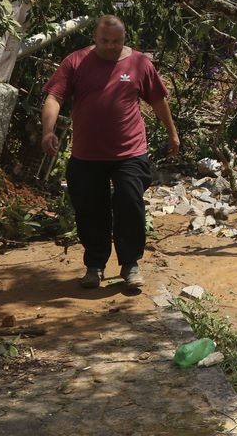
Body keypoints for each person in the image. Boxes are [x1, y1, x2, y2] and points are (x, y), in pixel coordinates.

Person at [41, 15, 179, 290]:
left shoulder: (140, 63)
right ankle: (95, 266)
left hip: (130, 152)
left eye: (116, 41)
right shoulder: (76, 61)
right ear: (94, 37)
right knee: (91, 210)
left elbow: (157, 100)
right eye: (105, 41)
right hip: (87, 154)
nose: (110, 46)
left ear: (124, 38)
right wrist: (48, 131)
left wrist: (172, 133)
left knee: (130, 204)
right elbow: (54, 97)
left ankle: (130, 265)